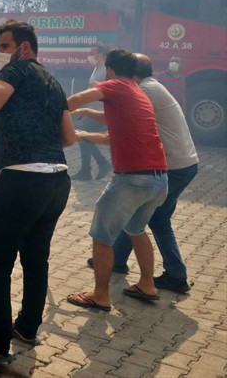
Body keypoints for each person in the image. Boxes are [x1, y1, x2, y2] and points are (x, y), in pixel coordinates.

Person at [0, 20, 75, 364]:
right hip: (57, 182)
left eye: (5, 46)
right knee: (36, 259)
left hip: (21, 182)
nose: (0, 54)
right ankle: (26, 328)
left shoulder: (18, 71)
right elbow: (69, 138)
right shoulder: (54, 83)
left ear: (25, 48)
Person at [78, 54, 198, 293]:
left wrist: (81, 131)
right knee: (136, 217)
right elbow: (117, 119)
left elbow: (119, 125)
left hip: (171, 165)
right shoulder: (149, 87)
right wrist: (89, 115)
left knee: (155, 219)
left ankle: (176, 275)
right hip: (179, 163)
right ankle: (119, 261)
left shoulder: (143, 91)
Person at [66, 50, 167, 313]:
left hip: (132, 179)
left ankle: (100, 295)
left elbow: (75, 99)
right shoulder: (137, 93)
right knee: (136, 230)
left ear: (109, 70)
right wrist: (82, 131)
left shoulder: (114, 85)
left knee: (102, 237)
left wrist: (49, 112)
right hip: (158, 180)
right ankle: (147, 284)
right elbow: (113, 132)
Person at [71, 44, 112, 181]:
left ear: (101, 55)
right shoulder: (97, 68)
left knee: (84, 137)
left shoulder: (106, 69)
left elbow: (109, 88)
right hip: (93, 109)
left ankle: (95, 166)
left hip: (100, 111)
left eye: (93, 53)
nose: (90, 55)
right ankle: (91, 168)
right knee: (84, 137)